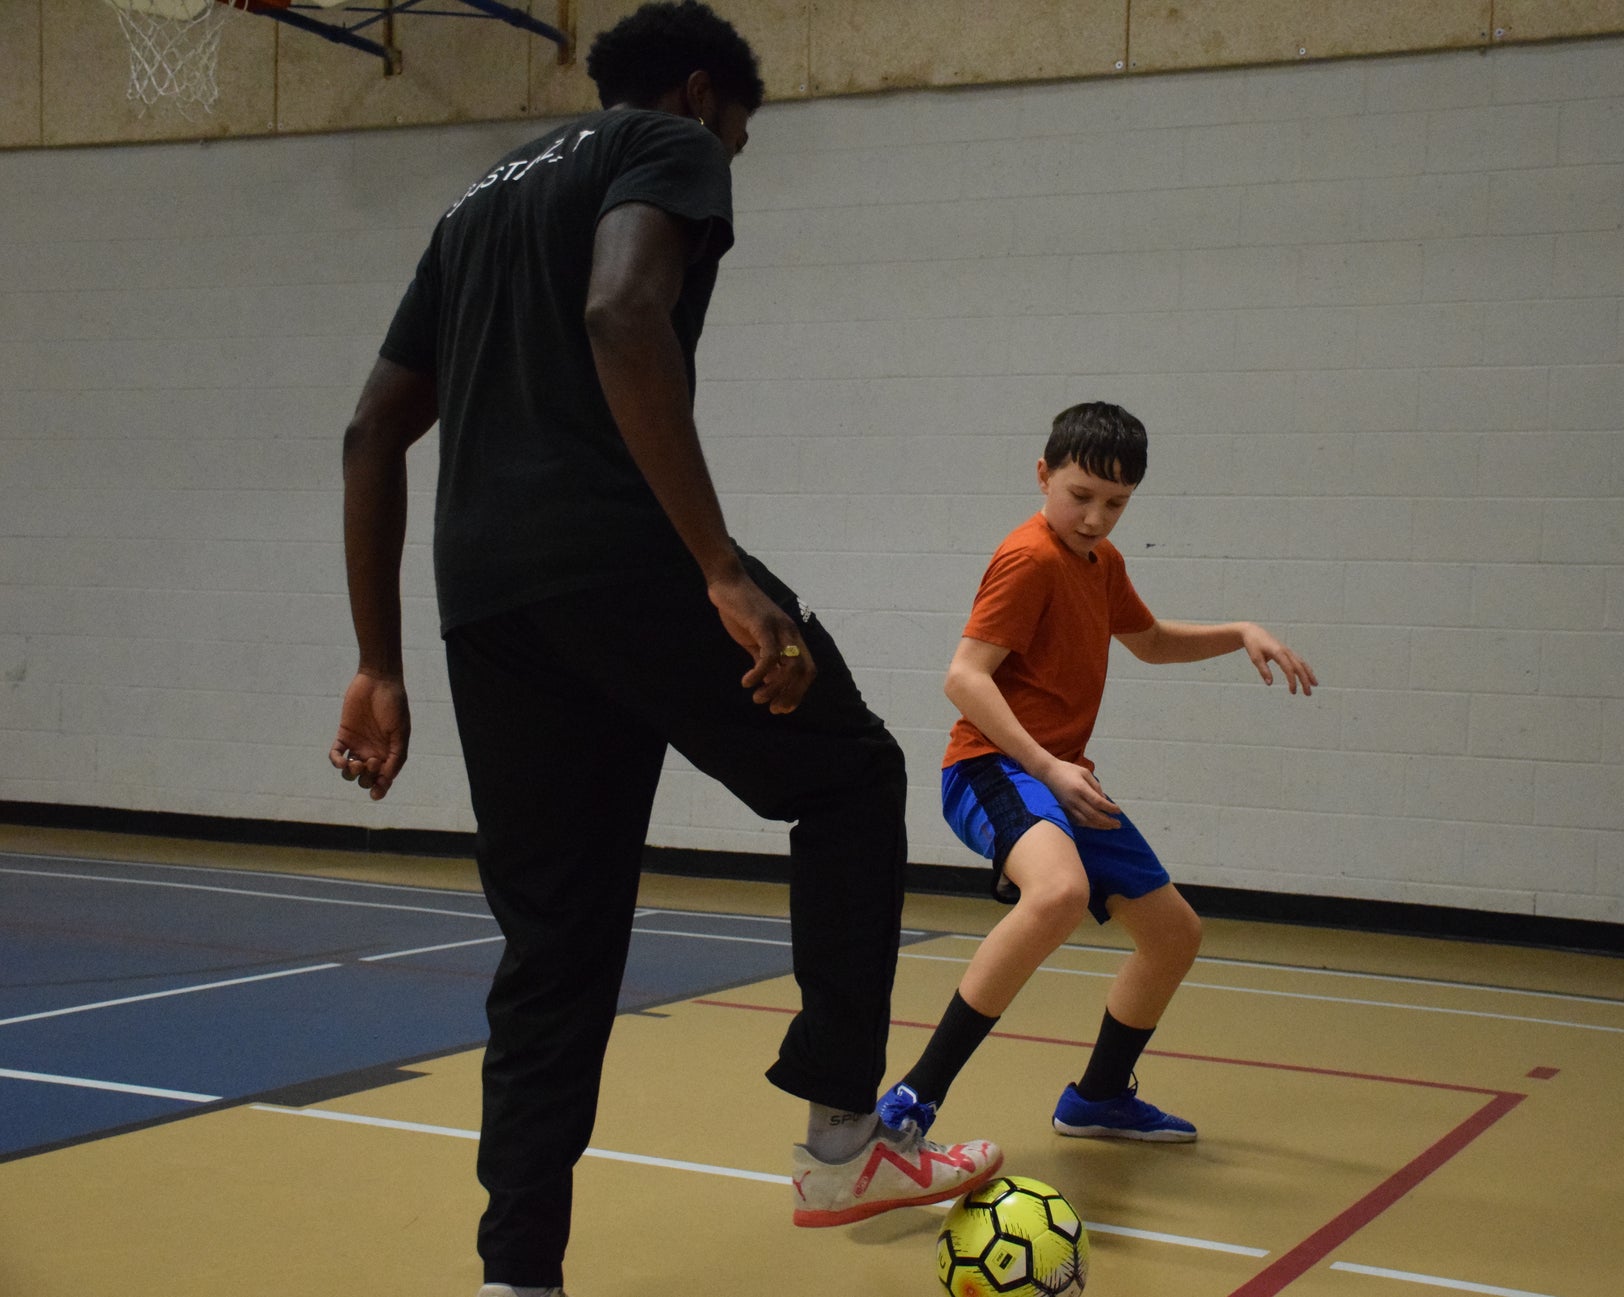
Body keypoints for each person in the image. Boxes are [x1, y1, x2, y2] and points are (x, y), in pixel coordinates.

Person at [325, 5, 999, 1294]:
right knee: (849, 777)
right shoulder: (665, 144)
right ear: (699, 95)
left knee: (553, 949)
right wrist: (720, 571)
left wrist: (378, 660)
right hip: (619, 556)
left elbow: (370, 435)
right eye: (736, 142)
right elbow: (622, 313)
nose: (725, 170)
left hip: (486, 604)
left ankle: (517, 1274)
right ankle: (843, 1141)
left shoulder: (474, 204)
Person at [875, 401, 1317, 1146]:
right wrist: (1047, 765)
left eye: (1116, 504)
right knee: (1059, 893)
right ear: (1043, 475)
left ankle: (1100, 1097)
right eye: (1081, 496)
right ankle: (913, 1098)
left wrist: (1241, 630)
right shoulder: (1029, 559)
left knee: (1173, 934)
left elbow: (1151, 641)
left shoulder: (1102, 562)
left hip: (1061, 778)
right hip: (993, 766)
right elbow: (964, 677)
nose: (1095, 518)